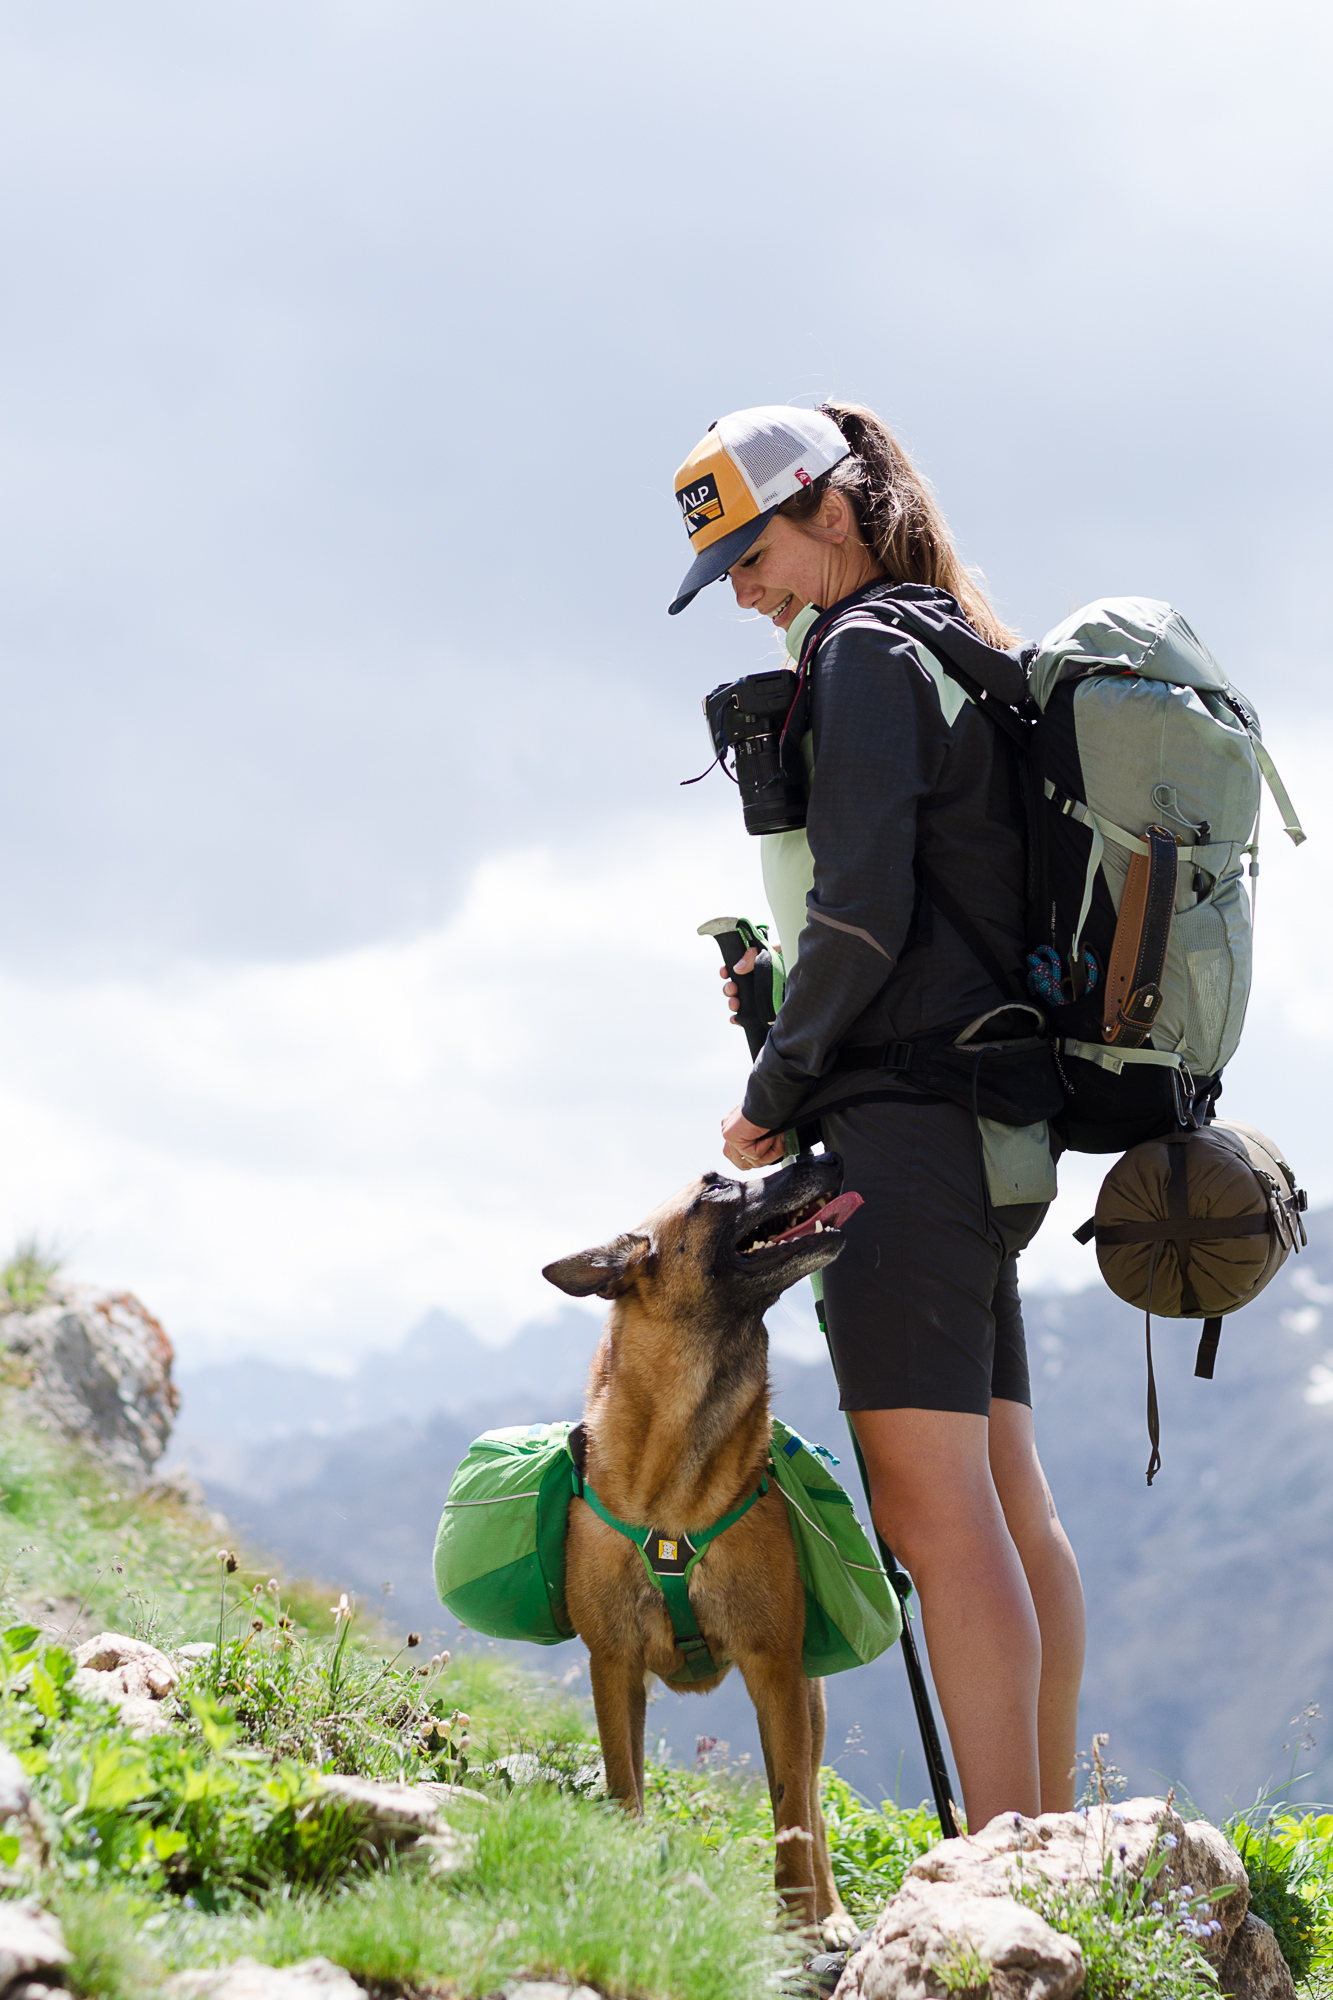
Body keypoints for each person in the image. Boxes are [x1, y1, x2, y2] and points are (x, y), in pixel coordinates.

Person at [668, 402, 1085, 1831]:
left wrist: (770, 1092)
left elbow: (857, 915)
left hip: (902, 1131)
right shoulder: (958, 643)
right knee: (1004, 1500)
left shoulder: (856, 656)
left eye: (752, 549)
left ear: (829, 511)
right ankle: (1049, 1852)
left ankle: (1005, 1867)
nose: (742, 588)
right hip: (989, 1125)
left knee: (933, 1515)